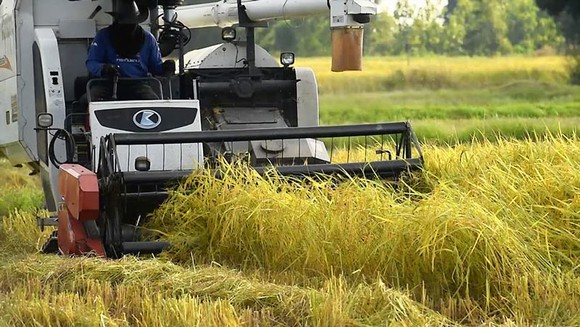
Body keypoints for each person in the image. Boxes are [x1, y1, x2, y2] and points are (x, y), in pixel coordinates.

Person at [85, 0, 174, 102]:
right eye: (125, 24)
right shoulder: (103, 36)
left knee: (153, 102)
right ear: (118, 21)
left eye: (131, 24)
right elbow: (91, 62)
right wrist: (104, 68)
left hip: (138, 84)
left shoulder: (148, 39)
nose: (128, 27)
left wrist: (166, 67)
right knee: (88, 100)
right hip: (108, 83)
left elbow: (155, 67)